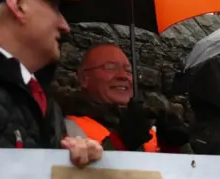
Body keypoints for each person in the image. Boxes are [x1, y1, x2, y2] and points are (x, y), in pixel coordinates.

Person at [0, 0, 102, 166]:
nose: (66, 26)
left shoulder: (45, 104)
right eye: (54, 7)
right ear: (19, 5)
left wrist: (78, 163)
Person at [59, 43, 189, 153]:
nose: (123, 76)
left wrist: (174, 147)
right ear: (83, 78)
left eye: (128, 71)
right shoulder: (63, 127)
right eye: (110, 68)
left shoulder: (145, 127)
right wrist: (120, 142)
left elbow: (179, 178)